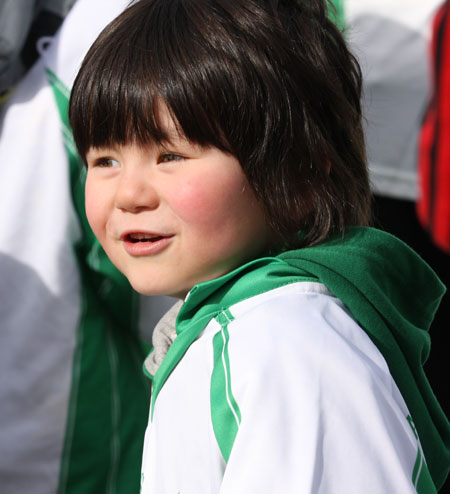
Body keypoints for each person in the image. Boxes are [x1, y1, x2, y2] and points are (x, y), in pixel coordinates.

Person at [68, 0, 450, 491]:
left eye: (171, 154)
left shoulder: (281, 345)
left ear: (300, 173)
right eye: (103, 160)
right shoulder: (246, 329)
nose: (129, 194)